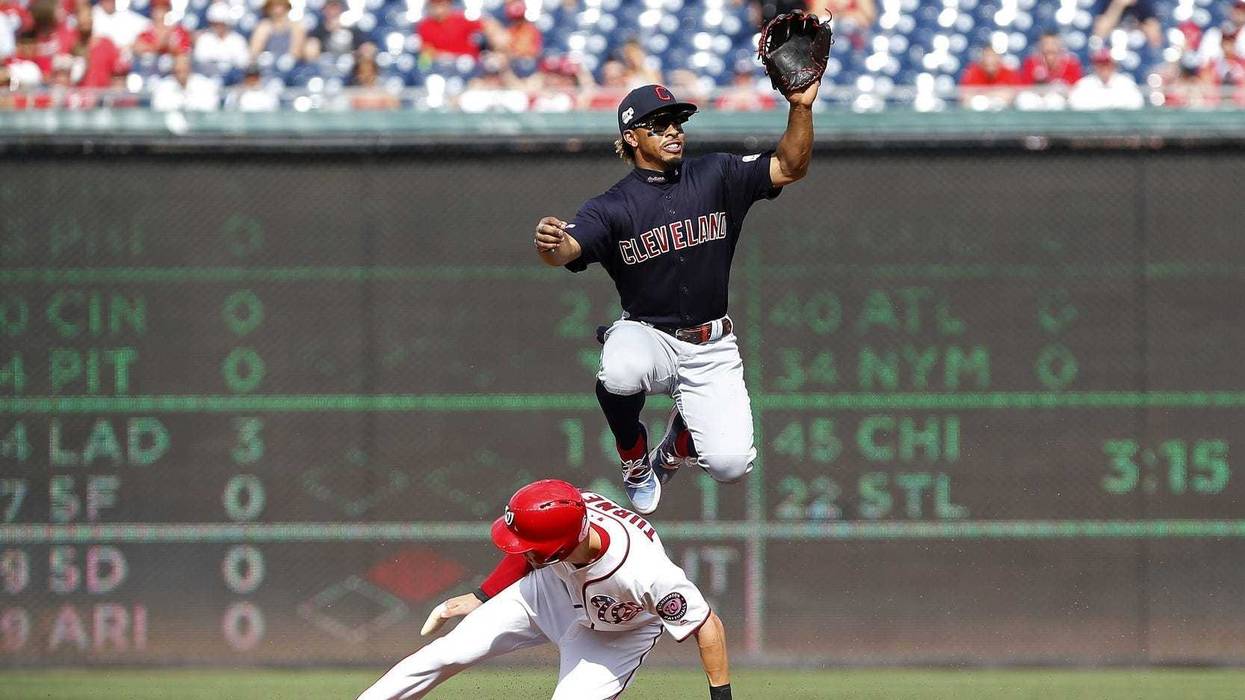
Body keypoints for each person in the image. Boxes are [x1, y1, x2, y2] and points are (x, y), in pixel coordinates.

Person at [531, 80, 818, 514]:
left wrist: (799, 106)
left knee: (730, 465)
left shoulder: (716, 174)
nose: (673, 131)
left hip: (711, 345)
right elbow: (567, 251)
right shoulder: (612, 206)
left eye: (677, 122)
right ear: (632, 137)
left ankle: (675, 446)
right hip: (650, 334)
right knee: (621, 371)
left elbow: (790, 166)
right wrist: (550, 244)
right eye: (659, 124)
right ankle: (634, 459)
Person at [357, 479, 732, 700]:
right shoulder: (568, 510)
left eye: (533, 548)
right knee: (442, 654)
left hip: (616, 634)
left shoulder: (647, 573)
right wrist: (482, 595)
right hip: (549, 591)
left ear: (564, 544)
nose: (519, 549)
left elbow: (707, 624)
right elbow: (528, 548)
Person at [1069, 47, 1145, 109]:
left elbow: (1137, 103)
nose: (1104, 68)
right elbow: (1074, 103)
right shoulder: (1084, 84)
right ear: (1094, 66)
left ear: (1114, 66)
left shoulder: (1126, 83)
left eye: (1107, 64)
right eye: (1100, 64)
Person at [194, 2, 249, 73]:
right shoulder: (204, 39)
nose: (219, 27)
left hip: (233, 81)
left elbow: (243, 63)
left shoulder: (238, 40)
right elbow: (200, 61)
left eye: (222, 23)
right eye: (215, 24)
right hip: (208, 79)